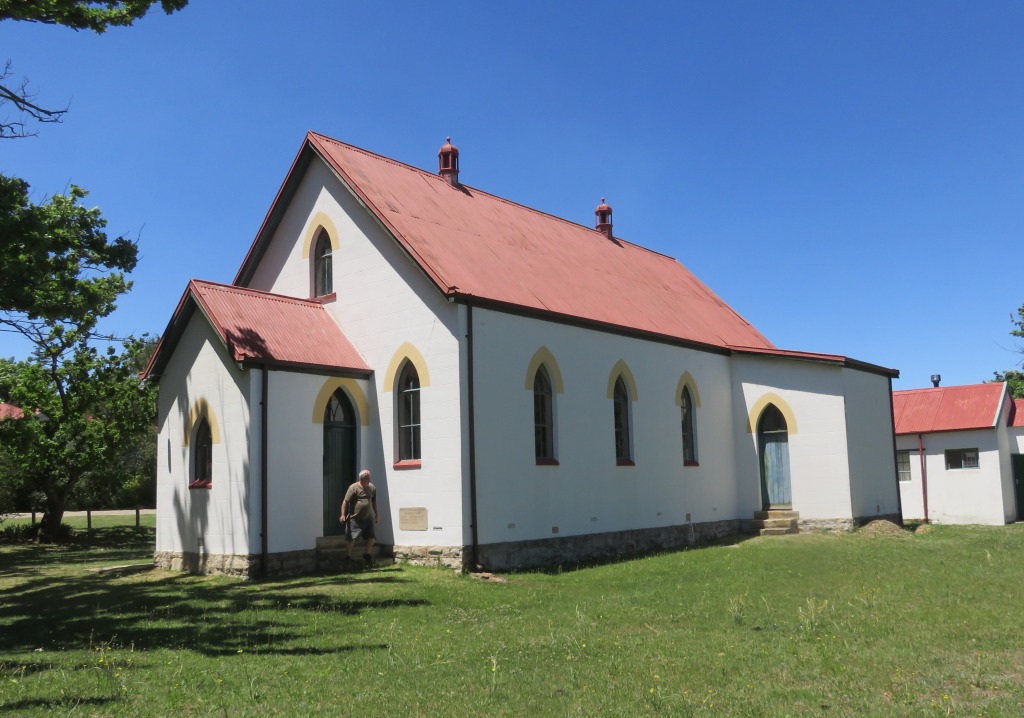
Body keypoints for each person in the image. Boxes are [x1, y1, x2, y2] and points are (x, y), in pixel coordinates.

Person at [340, 469, 379, 565]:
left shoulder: (372, 487)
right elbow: (345, 501)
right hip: (355, 519)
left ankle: (367, 554)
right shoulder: (353, 487)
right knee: (352, 538)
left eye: (369, 478)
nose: (369, 480)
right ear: (362, 478)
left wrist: (377, 514)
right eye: (367, 478)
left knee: (372, 537)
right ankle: (347, 556)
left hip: (368, 518)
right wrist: (342, 514)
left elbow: (373, 501)